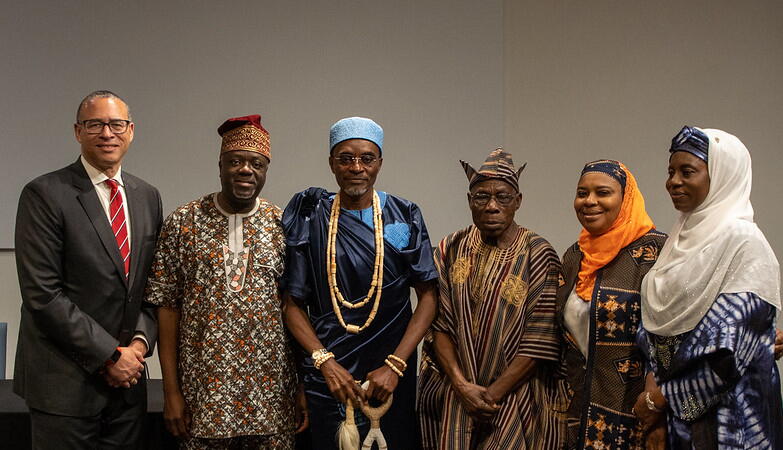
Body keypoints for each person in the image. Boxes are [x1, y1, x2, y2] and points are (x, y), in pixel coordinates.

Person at [14, 90, 163, 449]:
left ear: (131, 131)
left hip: (127, 389)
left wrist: (139, 346)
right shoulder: (44, 194)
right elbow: (43, 295)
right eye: (95, 124)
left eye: (115, 124)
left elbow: (152, 286)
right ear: (77, 132)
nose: (106, 133)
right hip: (64, 388)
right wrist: (111, 355)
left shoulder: (147, 196)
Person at [145, 115, 303, 449]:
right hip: (203, 401)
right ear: (220, 166)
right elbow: (167, 309)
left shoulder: (282, 225)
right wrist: (171, 391)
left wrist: (302, 388)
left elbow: (296, 308)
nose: (246, 170)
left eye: (256, 163)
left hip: (271, 401)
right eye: (236, 162)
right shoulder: (183, 222)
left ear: (265, 170)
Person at [281, 117, 439, 449]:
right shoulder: (312, 216)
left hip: (391, 374)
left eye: (367, 158)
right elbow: (293, 305)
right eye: (345, 158)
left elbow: (428, 297)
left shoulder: (402, 215)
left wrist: (395, 366)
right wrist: (325, 363)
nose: (357, 167)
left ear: (379, 162)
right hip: (328, 374)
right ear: (331, 164)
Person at [636, 126, 782, 449]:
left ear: (722, 176)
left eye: (687, 171)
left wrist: (659, 400)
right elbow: (655, 338)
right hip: (675, 422)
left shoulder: (745, 246)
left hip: (730, 424)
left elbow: (725, 356)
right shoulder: (678, 243)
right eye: (671, 171)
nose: (673, 181)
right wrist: (655, 403)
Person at [417, 148, 564, 449]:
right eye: (481, 197)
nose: (491, 206)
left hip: (514, 398)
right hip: (456, 395)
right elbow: (438, 325)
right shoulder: (449, 248)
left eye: (503, 197)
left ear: (518, 201)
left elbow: (540, 340)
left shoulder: (538, 254)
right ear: (469, 201)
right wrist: (462, 387)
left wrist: (490, 396)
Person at [556, 159, 666, 449]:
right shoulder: (574, 256)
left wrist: (657, 408)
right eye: (582, 193)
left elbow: (671, 338)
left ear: (626, 198)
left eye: (603, 192)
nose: (589, 201)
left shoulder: (656, 252)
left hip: (636, 418)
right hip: (577, 416)